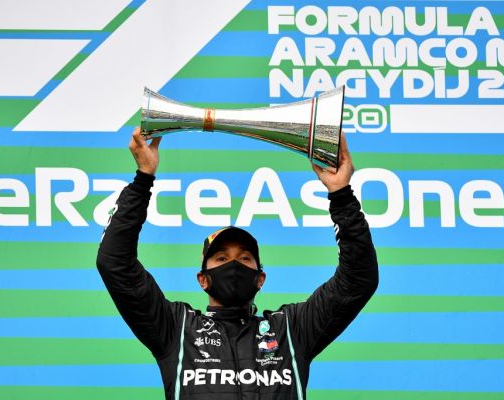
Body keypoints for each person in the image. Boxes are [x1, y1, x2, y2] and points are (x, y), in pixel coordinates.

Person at [96, 127, 379, 400]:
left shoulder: (291, 330)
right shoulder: (175, 329)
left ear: (260, 278)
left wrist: (341, 195)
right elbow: (115, 262)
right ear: (203, 278)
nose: (233, 264)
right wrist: (143, 178)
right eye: (221, 258)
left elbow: (358, 279)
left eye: (244, 258)